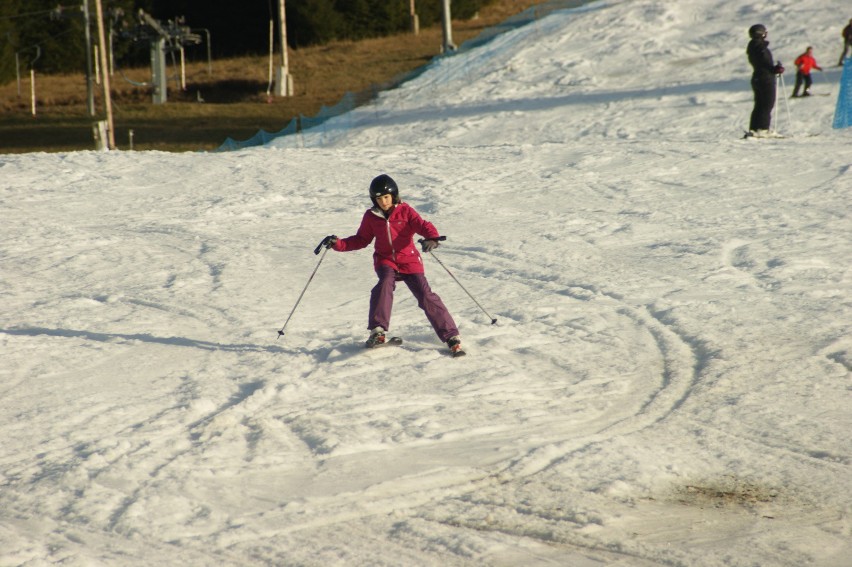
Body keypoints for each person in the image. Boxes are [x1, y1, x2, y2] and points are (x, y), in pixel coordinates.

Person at [319, 174, 464, 356]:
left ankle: (451, 336)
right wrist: (337, 244)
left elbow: (422, 225)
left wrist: (432, 238)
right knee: (385, 282)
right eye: (379, 199)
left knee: (425, 295)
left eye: (386, 197)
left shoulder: (406, 211)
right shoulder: (371, 216)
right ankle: (378, 330)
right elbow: (361, 239)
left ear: (393, 196)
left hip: (409, 260)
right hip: (385, 259)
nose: (383, 202)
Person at [746, 24, 785, 137]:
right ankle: (762, 129)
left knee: (760, 104)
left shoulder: (753, 45)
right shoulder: (759, 46)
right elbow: (763, 62)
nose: (766, 34)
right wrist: (774, 69)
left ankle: (755, 129)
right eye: (764, 32)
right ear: (760, 33)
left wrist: (773, 69)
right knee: (766, 104)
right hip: (765, 78)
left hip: (758, 77)